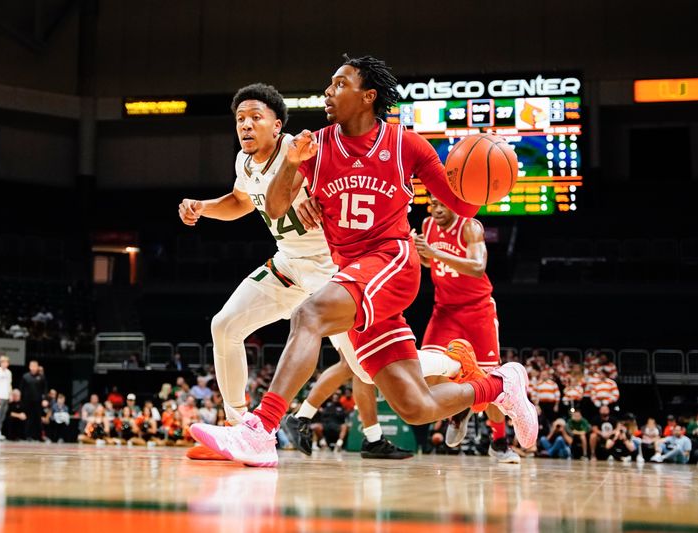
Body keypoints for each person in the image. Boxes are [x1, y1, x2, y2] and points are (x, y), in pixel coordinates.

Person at [190, 55, 537, 466]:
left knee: (310, 314)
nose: (328, 91)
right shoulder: (315, 145)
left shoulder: (406, 144)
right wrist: (292, 165)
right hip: (350, 272)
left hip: (391, 261)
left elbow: (459, 202)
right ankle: (499, 385)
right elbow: (279, 203)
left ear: (368, 96)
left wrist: (490, 181)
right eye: (330, 84)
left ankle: (260, 429)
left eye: (339, 84)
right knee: (414, 404)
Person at [179, 82, 459, 461]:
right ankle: (237, 430)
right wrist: (203, 207)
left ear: (278, 126)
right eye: (240, 119)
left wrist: (320, 197)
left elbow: (350, 179)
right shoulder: (244, 162)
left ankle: (454, 364)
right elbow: (241, 201)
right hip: (289, 264)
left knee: (364, 372)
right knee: (224, 325)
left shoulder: (308, 148)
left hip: (335, 270)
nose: (245, 126)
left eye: (255, 118)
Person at [412, 194, 518, 463]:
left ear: (454, 203)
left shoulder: (470, 226)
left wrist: (434, 252)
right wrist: (420, 251)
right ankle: (459, 407)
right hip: (445, 310)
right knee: (428, 374)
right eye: (432, 203)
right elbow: (431, 263)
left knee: (491, 380)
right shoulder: (427, 225)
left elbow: (477, 267)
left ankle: (499, 442)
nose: (435, 209)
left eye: (441, 203)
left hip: (477, 310)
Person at [19, 360, 46, 441]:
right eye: (32, 366)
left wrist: (45, 400)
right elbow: (21, 389)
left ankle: (38, 436)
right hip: (27, 402)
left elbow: (45, 389)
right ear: (30, 367)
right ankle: (27, 436)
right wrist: (21, 401)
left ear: (37, 367)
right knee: (28, 419)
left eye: (35, 366)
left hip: (38, 401)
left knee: (38, 419)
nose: (34, 368)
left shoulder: (41, 377)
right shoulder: (25, 376)